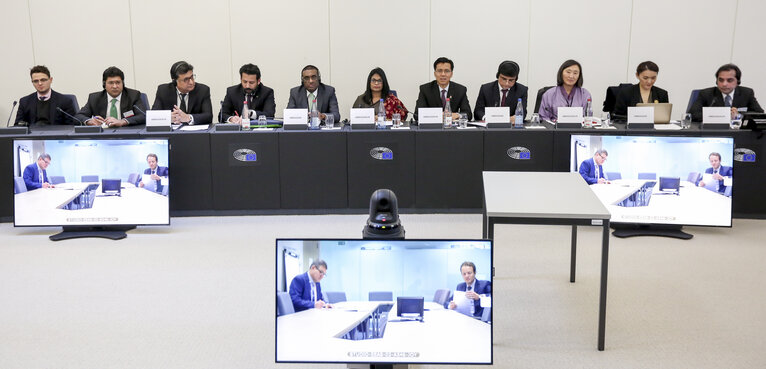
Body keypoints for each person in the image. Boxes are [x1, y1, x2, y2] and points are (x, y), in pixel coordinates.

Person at [75, 66, 146, 127]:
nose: (115, 86)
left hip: (127, 133)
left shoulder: (133, 95)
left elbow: (143, 116)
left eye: (118, 82)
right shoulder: (94, 98)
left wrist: (122, 121)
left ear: (123, 83)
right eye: (111, 83)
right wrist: (90, 121)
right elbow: (78, 116)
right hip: (102, 136)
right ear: (104, 84)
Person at [689, 63, 763, 122]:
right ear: (716, 81)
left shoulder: (747, 93)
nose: (724, 84)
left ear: (738, 82)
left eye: (729, 80)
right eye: (721, 80)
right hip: (714, 132)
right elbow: (692, 114)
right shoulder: (706, 94)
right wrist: (725, 116)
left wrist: (739, 116)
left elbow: (759, 114)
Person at [414, 57, 472, 122]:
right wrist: (438, 115)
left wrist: (457, 115)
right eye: (439, 71)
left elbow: (468, 114)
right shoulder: (425, 89)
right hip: (432, 128)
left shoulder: (460, 90)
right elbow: (417, 114)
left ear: (451, 74)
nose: (443, 74)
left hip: (453, 129)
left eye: (447, 71)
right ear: (435, 73)